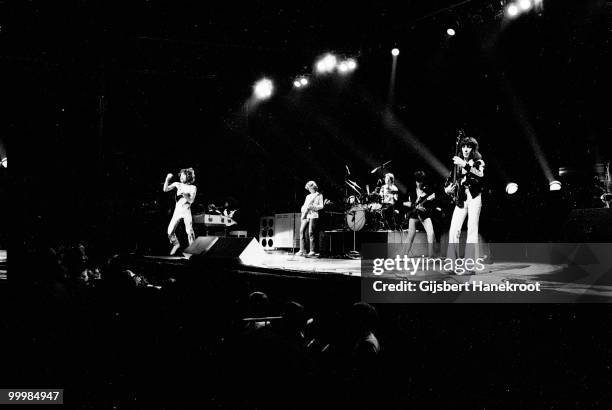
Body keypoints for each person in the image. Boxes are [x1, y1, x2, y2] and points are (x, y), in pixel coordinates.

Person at [444, 136, 484, 273]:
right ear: (461, 148)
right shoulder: (457, 163)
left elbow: (480, 175)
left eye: (469, 147)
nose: (466, 149)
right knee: (453, 230)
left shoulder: (478, 161)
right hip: (461, 199)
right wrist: (447, 189)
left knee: (472, 230)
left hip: (474, 197)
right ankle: (451, 265)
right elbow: (449, 181)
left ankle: (470, 266)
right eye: (464, 146)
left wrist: (465, 165)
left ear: (473, 149)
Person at [163, 168, 197, 255]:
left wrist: (184, 194)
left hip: (186, 211)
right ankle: (176, 244)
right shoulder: (177, 184)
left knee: (189, 231)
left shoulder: (193, 187)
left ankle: (193, 252)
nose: (181, 177)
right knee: (169, 232)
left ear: (188, 176)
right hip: (177, 211)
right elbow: (165, 189)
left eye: (183, 175)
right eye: (180, 175)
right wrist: (167, 179)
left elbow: (191, 200)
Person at [404, 171, 437, 257]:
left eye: (421, 181)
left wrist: (424, 207)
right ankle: (404, 256)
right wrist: (413, 205)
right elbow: (404, 202)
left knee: (431, 233)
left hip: (424, 214)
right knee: (411, 235)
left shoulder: (427, 190)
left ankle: (431, 256)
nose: (419, 184)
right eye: (418, 181)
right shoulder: (411, 189)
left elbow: (431, 203)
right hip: (414, 214)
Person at [297, 181, 324, 257]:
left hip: (313, 215)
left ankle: (312, 251)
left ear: (313, 187)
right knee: (301, 231)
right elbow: (305, 205)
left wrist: (314, 207)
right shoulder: (308, 196)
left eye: (309, 188)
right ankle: (302, 250)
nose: (308, 189)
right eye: (308, 188)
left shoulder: (319, 195)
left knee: (310, 232)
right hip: (306, 215)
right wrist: (303, 208)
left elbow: (321, 206)